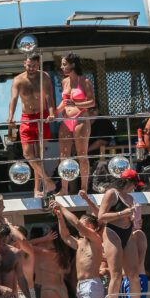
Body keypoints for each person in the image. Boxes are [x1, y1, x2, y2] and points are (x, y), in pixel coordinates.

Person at [97, 170, 145, 298]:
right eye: (134, 184)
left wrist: (136, 219)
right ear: (128, 182)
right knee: (116, 275)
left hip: (128, 233)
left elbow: (133, 221)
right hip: (113, 233)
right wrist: (122, 214)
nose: (135, 188)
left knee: (134, 276)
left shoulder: (131, 198)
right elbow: (101, 217)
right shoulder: (112, 193)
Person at [7, 53, 57, 197]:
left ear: (38, 65)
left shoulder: (45, 77)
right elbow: (14, 99)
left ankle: (37, 189)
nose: (31, 68)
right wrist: (10, 117)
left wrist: (52, 113)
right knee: (28, 154)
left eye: (34, 66)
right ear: (24, 63)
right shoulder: (18, 80)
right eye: (29, 65)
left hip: (42, 117)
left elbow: (50, 98)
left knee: (38, 156)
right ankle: (48, 182)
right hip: (27, 118)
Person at [56, 53, 97, 195]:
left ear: (72, 65)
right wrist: (54, 112)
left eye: (64, 64)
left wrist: (76, 103)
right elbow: (64, 102)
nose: (62, 67)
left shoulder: (84, 80)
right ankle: (64, 189)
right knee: (63, 155)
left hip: (81, 118)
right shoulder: (64, 81)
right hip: (66, 119)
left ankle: (84, 187)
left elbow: (92, 102)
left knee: (82, 154)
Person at [115, 227, 148, 298]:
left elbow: (137, 262)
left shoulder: (138, 234)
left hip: (136, 279)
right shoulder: (120, 237)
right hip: (124, 280)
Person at [13, 226, 39, 298]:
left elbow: (23, 241)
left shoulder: (27, 252)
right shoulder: (10, 252)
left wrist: (8, 225)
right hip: (13, 295)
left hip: (27, 293)